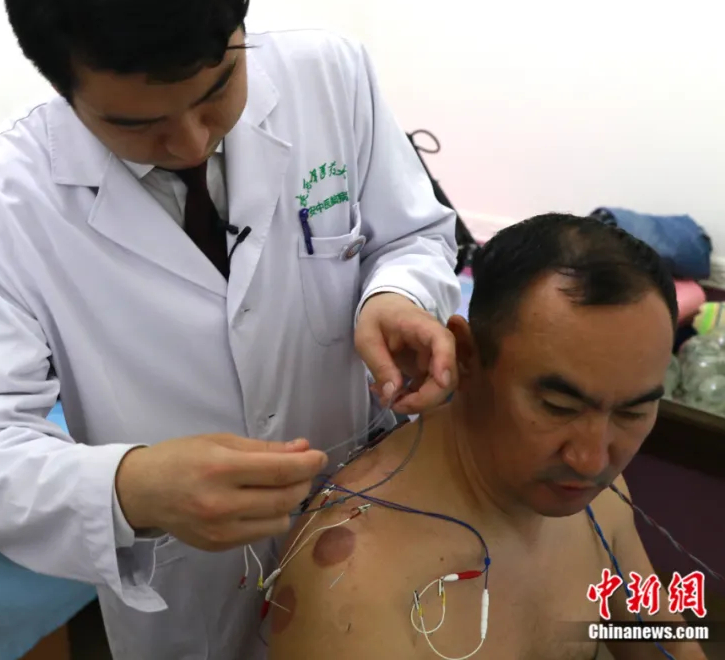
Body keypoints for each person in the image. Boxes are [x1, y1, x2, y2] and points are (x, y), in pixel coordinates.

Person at [0, 0, 463, 657]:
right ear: (63, 88)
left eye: (216, 93)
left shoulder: (330, 76)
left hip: (370, 534)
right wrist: (131, 488)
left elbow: (415, 235)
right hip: (191, 601)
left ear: (239, 23)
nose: (188, 141)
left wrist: (396, 295)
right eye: (135, 124)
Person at [268, 214, 707, 660]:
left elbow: (665, 643)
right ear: (465, 356)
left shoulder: (599, 501)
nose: (593, 460)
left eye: (632, 412)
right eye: (558, 407)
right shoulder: (355, 581)